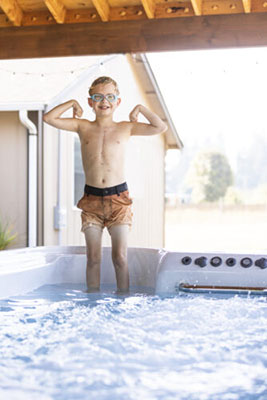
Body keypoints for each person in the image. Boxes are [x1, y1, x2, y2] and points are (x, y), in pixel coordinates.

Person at [43, 76, 167, 293]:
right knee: (93, 258)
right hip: (91, 202)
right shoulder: (82, 126)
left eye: (110, 96)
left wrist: (139, 108)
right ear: (90, 102)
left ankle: (122, 299)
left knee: (119, 256)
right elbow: (49, 118)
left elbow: (160, 127)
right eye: (98, 97)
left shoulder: (126, 127)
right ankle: (92, 302)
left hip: (119, 201)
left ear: (118, 101)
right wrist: (71, 103)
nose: (104, 101)